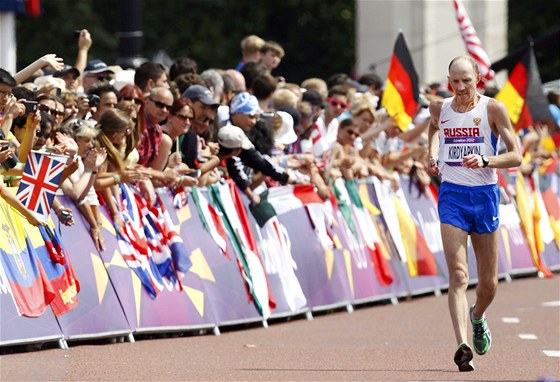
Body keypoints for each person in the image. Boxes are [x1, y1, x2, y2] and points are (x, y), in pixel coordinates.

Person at [426, 56, 522, 372]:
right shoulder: (440, 108)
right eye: (456, 81)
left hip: (485, 197)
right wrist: (432, 156)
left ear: (477, 77)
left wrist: (485, 161)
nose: (462, 87)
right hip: (452, 195)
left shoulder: (493, 109)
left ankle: (477, 316)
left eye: (467, 80)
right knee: (457, 274)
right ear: (448, 81)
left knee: (488, 284)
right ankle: (462, 345)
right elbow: (433, 130)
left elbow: (516, 156)